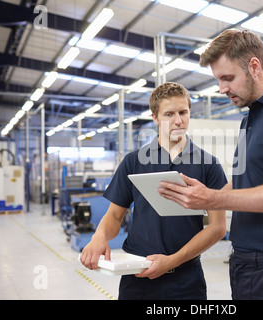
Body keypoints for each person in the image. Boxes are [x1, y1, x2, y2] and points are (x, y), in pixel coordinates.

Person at [158, 29, 263, 300]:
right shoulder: (250, 118)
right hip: (245, 261)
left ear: (254, 66)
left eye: (228, 78)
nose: (222, 89)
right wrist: (209, 196)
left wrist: (213, 197)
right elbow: (248, 181)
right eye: (218, 80)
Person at [80, 82, 227, 300]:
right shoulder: (133, 162)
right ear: (155, 118)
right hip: (137, 279)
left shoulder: (208, 164)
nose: (178, 120)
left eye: (183, 112)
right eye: (169, 114)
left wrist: (172, 260)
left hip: (186, 281)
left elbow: (218, 228)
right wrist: (99, 236)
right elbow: (113, 216)